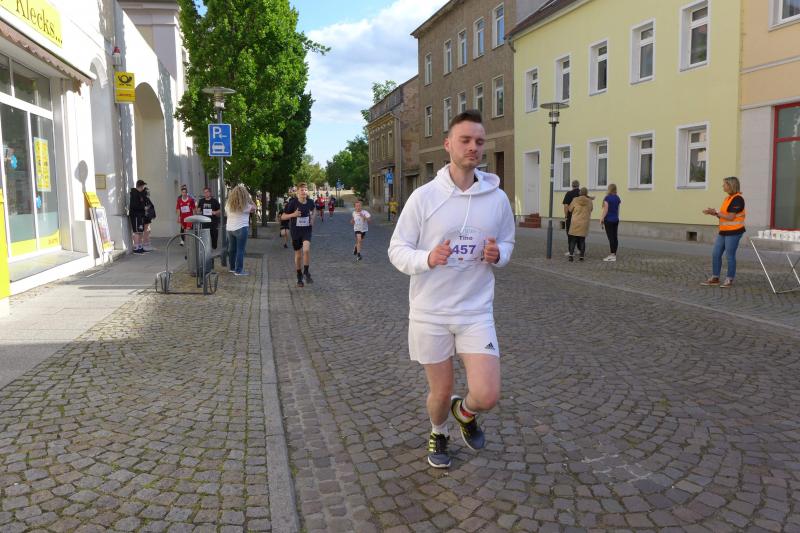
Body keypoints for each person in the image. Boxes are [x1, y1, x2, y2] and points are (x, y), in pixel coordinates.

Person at [388, 110, 515, 469]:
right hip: (431, 312)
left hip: (475, 311)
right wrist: (428, 258)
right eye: (465, 140)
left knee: (487, 394)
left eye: (479, 141)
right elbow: (397, 250)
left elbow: (507, 242)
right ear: (448, 145)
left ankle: (465, 412)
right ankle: (438, 430)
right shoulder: (424, 197)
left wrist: (498, 255)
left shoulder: (497, 198)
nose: (473, 147)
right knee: (441, 391)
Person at [701, 176, 746, 288]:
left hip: (734, 232)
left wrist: (716, 212)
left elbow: (730, 217)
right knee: (716, 254)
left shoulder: (738, 199)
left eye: (724, 184)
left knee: (730, 255)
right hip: (724, 231)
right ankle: (715, 277)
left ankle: (729, 279)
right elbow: (724, 216)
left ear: (731, 186)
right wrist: (714, 213)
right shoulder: (727, 199)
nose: (723, 186)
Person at [281, 182, 316, 287]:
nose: (304, 192)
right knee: (298, 255)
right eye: (301, 190)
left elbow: (314, 210)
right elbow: (283, 216)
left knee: (306, 250)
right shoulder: (292, 203)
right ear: (297, 192)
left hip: (306, 230)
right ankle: (299, 274)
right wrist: (294, 214)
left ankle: (306, 271)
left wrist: (312, 218)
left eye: (305, 190)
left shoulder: (310, 202)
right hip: (296, 232)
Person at [225, 184, 256, 276]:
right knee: (240, 250)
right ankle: (239, 270)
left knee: (232, 249)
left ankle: (232, 268)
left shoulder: (228, 205)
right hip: (241, 228)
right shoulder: (245, 205)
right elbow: (254, 208)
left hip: (230, 228)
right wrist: (250, 199)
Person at [567, 187, 593, 261]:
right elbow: (591, 209)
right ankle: (581, 256)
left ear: (580, 192)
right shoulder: (589, 201)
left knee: (573, 240)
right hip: (584, 222)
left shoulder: (575, 200)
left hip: (575, 222)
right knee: (582, 240)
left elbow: (570, 209)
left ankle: (571, 256)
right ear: (586, 193)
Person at [600, 183, 621, 262]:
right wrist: (617, 217)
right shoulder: (617, 198)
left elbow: (606, 209)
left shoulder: (607, 198)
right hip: (615, 219)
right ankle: (614, 254)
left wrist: (601, 218)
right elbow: (618, 210)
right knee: (615, 237)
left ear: (609, 189)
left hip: (608, 220)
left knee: (611, 237)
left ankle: (612, 255)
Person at [128, 179, 149, 255]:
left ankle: (140, 247)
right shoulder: (134, 194)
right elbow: (134, 206)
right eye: (143, 186)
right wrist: (143, 208)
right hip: (136, 216)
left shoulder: (140, 194)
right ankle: (136, 248)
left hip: (140, 215)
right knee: (137, 232)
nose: (143, 187)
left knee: (140, 231)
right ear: (140, 186)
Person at [562, 180, 581, 256]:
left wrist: (566, 216)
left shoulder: (569, 193)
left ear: (572, 185)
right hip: (580, 217)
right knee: (579, 233)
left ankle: (571, 251)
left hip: (571, 217)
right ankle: (580, 249)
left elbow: (566, 206)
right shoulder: (582, 193)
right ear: (578, 185)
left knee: (570, 234)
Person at [142, 187, 156, 252]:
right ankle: (145, 245)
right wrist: (147, 208)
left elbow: (151, 206)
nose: (148, 193)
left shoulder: (147, 199)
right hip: (145, 217)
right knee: (146, 230)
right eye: (147, 192)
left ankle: (148, 244)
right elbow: (144, 207)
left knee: (148, 230)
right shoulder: (144, 199)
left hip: (148, 217)